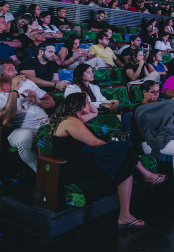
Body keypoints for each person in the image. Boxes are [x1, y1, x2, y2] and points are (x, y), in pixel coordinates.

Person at [50, 92, 165, 230]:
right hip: (71, 166)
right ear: (78, 105)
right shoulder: (71, 121)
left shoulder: (76, 118)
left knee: (122, 148)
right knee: (122, 150)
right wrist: (114, 149)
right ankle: (142, 182)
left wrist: (87, 104)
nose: (89, 104)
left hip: (81, 159)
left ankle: (127, 212)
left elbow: (94, 112)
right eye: (86, 102)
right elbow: (94, 142)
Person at [0, 60, 54, 168]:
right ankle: (45, 177)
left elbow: (51, 103)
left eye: (15, 69)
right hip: (22, 129)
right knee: (25, 139)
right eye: (11, 70)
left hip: (48, 123)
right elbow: (5, 121)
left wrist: (38, 101)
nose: (16, 72)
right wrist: (14, 91)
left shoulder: (26, 83)